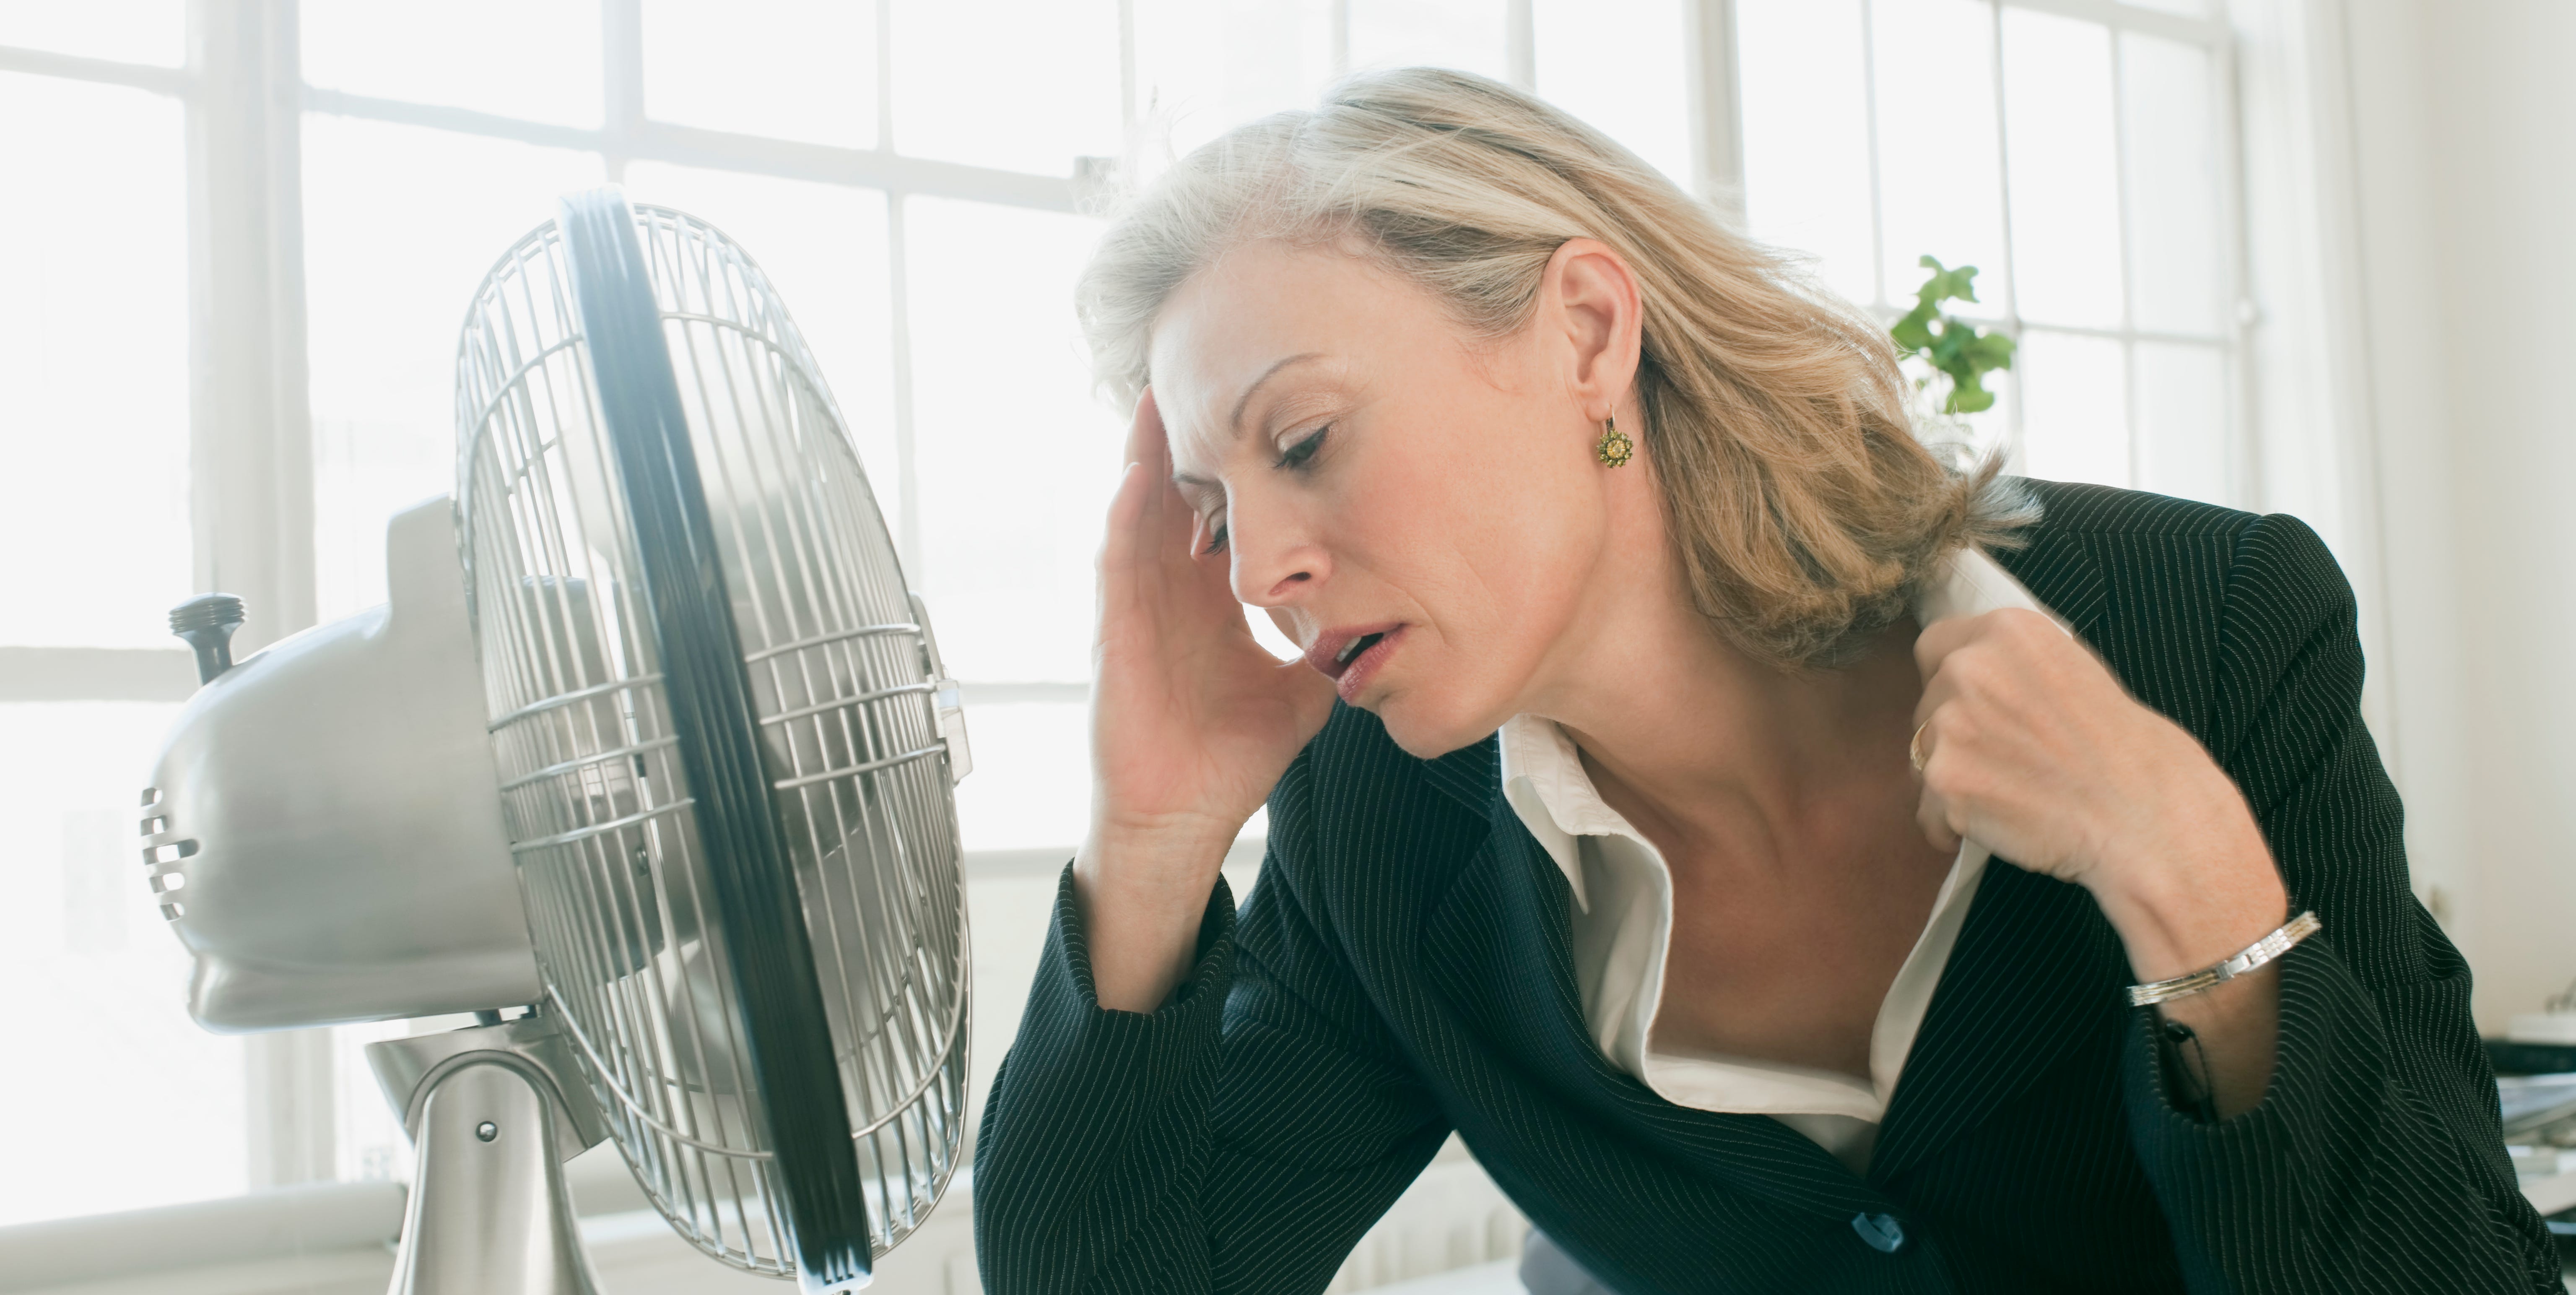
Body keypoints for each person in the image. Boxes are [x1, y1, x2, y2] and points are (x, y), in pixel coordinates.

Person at [971, 68, 2557, 1293]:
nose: (1255, 572)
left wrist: (2192, 880)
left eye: (1303, 442)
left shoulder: (2204, 623)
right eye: (1215, 510)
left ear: (1588, 331)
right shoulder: (1378, 823)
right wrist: (1154, 839)